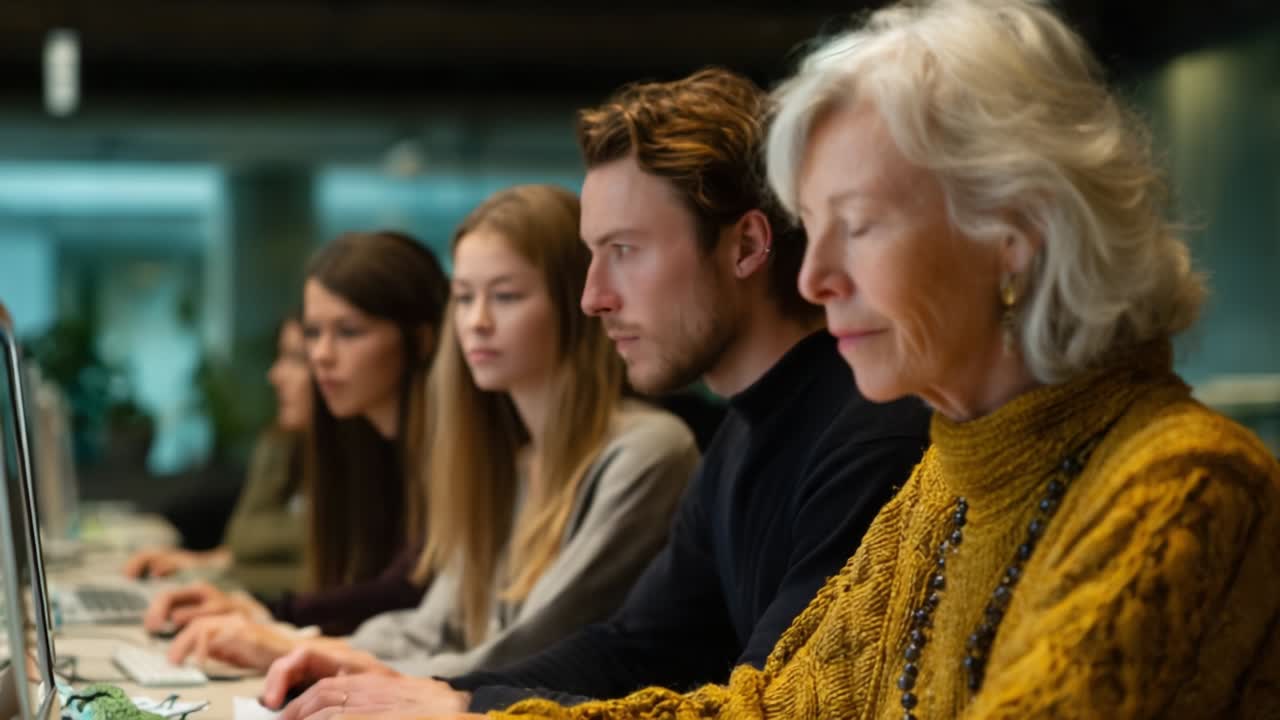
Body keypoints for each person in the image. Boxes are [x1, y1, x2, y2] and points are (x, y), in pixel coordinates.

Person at [396, 1, 1280, 718]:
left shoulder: (1187, 485)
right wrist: (469, 711)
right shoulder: (946, 479)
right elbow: (768, 709)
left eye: (856, 227)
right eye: (813, 230)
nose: (815, 277)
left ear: (1015, 233)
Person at [265, 68, 931, 717]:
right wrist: (447, 695)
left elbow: (765, 706)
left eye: (626, 250)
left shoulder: (867, 436)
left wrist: (467, 707)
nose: (593, 298)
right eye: (592, 256)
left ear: (747, 246)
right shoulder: (744, 431)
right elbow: (633, 650)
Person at [165, 184, 700, 675]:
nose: (477, 322)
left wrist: (313, 655)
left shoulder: (646, 451)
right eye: (464, 298)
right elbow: (430, 628)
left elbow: (528, 649)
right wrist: (296, 645)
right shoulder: (506, 458)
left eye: (506, 296)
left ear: (575, 303)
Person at [143, 230, 449, 651]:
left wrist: (273, 616)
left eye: (349, 331)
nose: (321, 354)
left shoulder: (446, 451)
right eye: (314, 333)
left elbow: (405, 589)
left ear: (421, 339)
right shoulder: (364, 442)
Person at [124, 316, 313, 596]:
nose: (275, 375)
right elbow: (241, 544)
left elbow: (325, 580)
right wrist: (199, 564)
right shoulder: (284, 445)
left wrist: (213, 573)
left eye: (297, 359)